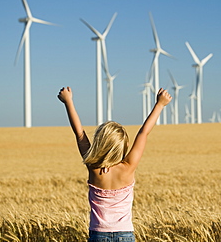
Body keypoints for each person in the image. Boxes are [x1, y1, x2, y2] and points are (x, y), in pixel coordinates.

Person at [57, 86, 172, 242]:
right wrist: (160, 105)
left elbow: (79, 133)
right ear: (122, 146)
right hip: (125, 234)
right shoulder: (128, 167)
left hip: (98, 235)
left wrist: (68, 101)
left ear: (99, 143)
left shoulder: (93, 167)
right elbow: (143, 133)